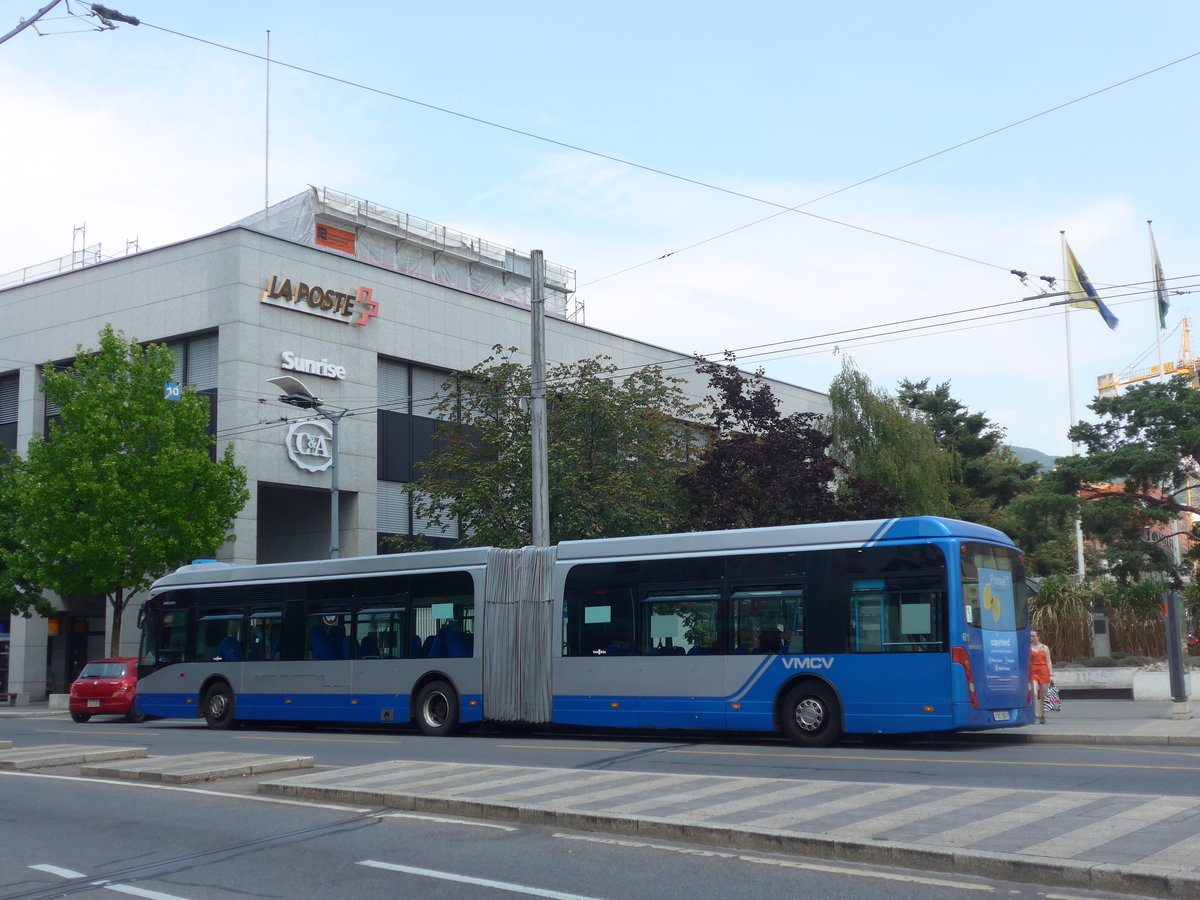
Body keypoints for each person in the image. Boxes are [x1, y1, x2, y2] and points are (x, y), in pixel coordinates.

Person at [1030, 628, 1053, 724]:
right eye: (1030, 636)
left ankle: (1042, 715)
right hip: (1033, 671)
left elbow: (1048, 662)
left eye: (1033, 636)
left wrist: (1051, 674)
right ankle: (1035, 714)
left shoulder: (1045, 648)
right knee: (1034, 694)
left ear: (1038, 637)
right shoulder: (1028, 647)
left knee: (1043, 695)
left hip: (1043, 671)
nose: (1031, 637)